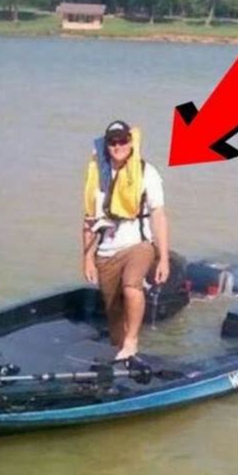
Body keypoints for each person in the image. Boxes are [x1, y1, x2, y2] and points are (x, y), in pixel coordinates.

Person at [82, 120, 170, 359]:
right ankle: (122, 350)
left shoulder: (146, 173)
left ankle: (132, 341)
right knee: (114, 315)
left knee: (131, 286)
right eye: (112, 142)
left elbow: (159, 215)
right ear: (106, 145)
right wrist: (87, 258)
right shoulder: (97, 175)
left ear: (131, 142)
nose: (118, 146)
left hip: (138, 245)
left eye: (122, 141)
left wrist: (163, 258)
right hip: (106, 251)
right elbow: (89, 221)